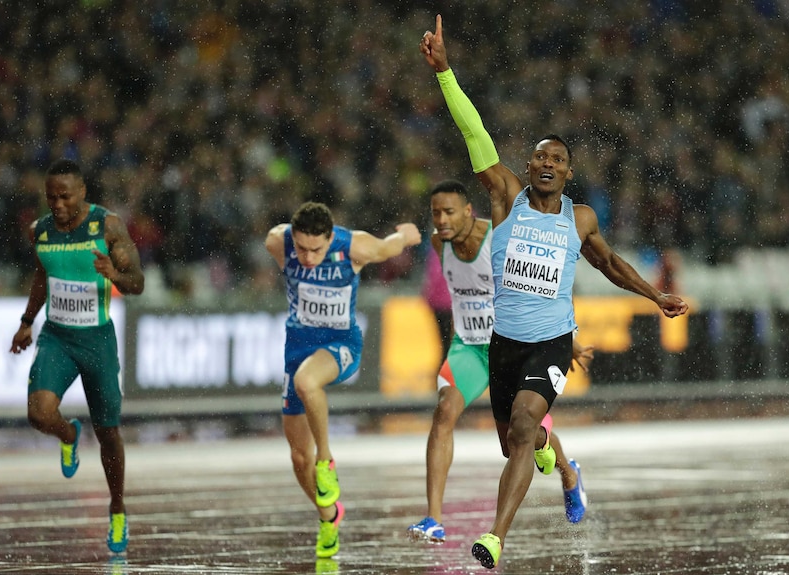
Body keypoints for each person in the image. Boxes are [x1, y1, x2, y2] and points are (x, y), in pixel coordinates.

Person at [420, 15, 690, 569]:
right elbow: (475, 134)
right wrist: (446, 74)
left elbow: (610, 264)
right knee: (515, 444)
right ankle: (567, 471)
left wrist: (653, 297)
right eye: (541, 156)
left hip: (552, 343)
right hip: (503, 343)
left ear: (568, 174)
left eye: (558, 159)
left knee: (523, 428)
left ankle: (495, 537)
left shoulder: (580, 220)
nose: (547, 163)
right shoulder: (505, 200)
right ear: (529, 166)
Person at [408, 180, 593, 543]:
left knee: (517, 439)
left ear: (468, 212)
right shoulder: (438, 245)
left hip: (514, 347)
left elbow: (541, 286)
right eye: (435, 214)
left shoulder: (500, 238)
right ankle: (433, 518)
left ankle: (568, 473)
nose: (441, 221)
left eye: (448, 212)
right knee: (444, 410)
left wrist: (565, 339)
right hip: (470, 349)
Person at [264, 201, 421, 558]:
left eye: (315, 249)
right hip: (297, 349)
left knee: (308, 384)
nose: (306, 257)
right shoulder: (279, 243)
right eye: (301, 248)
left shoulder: (354, 247)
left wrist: (405, 236)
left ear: (330, 238)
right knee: (297, 458)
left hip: (341, 345)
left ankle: (327, 461)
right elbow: (273, 237)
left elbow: (387, 246)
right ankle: (329, 516)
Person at [9, 158, 144, 553]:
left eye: (65, 196)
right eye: (51, 197)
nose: (58, 204)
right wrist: (27, 320)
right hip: (58, 337)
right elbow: (41, 275)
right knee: (38, 414)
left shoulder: (108, 226)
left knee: (109, 433)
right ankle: (68, 434)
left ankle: (117, 508)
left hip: (97, 341)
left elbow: (138, 282)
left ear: (83, 193)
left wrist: (114, 275)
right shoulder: (40, 231)